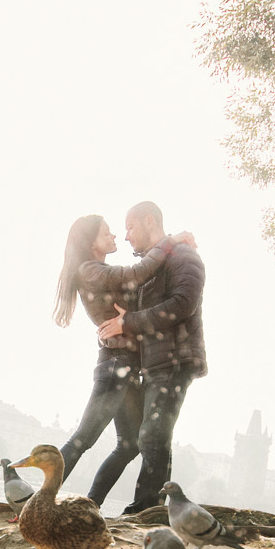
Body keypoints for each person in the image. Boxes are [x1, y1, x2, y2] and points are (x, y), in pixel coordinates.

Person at [51, 213, 194, 504]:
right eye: (107, 233)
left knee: (130, 445)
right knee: (83, 438)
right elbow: (136, 273)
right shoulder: (89, 269)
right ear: (91, 242)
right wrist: (171, 241)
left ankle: (91, 503)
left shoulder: (96, 269)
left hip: (125, 367)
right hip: (115, 365)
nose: (115, 236)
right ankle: (37, 501)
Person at [96, 200, 205, 514]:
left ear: (148, 221)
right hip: (156, 361)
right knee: (155, 434)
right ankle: (154, 508)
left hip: (176, 358)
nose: (126, 236)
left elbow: (184, 303)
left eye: (130, 227)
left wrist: (128, 322)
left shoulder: (184, 256)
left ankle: (147, 508)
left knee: (152, 434)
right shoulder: (154, 264)